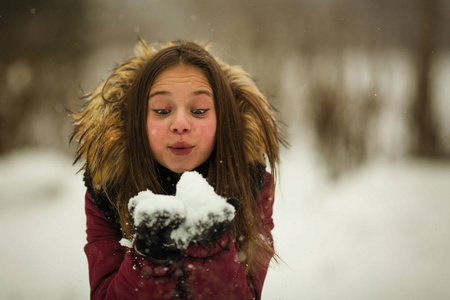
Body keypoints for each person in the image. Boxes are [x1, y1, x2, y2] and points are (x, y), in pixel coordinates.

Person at [71, 39, 285, 300]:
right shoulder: (108, 188)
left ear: (223, 119)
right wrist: (149, 257)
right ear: (138, 121)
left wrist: (211, 249)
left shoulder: (251, 182)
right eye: (162, 110)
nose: (180, 124)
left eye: (199, 110)